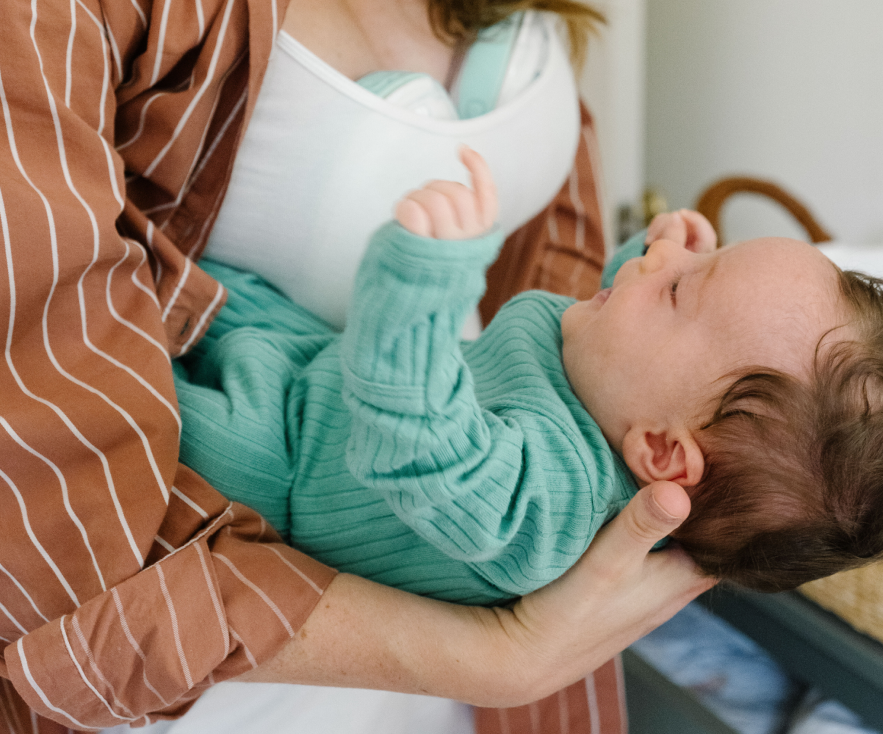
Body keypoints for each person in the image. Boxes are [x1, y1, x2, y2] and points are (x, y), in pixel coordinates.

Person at [0, 0, 713, 731]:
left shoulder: (538, 500)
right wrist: (493, 659)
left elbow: (564, 291)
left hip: (429, 670)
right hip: (219, 659)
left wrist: (658, 279)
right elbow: (58, 487)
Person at [174, 147, 883, 607]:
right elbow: (620, 351)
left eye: (683, 287)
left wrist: (421, 283)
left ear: (658, 452)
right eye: (701, 254)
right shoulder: (622, 395)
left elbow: (416, 443)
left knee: (135, 390)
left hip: (280, 466)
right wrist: (650, 265)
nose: (666, 258)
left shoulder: (541, 517)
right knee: (190, 273)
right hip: (322, 372)